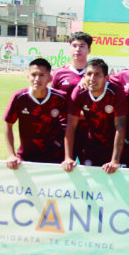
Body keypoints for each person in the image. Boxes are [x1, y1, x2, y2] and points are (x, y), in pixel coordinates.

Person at [61, 58, 127, 174]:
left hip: (116, 148)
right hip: (93, 145)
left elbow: (120, 127)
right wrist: (68, 158)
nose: (92, 78)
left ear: (106, 78)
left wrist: (115, 161)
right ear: (84, 77)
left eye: (97, 74)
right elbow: (71, 125)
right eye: (89, 74)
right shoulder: (79, 92)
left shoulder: (116, 92)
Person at [3, 58, 68, 169]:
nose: (37, 79)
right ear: (28, 77)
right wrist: (11, 155)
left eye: (42, 75)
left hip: (55, 157)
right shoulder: (19, 97)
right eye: (34, 75)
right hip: (26, 156)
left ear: (50, 78)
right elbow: (8, 124)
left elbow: (72, 122)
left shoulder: (60, 98)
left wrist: (68, 156)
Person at [51, 32, 92, 162]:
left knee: (91, 169)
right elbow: (52, 102)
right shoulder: (59, 73)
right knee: (64, 167)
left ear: (89, 49)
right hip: (63, 129)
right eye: (74, 46)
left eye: (82, 46)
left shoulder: (95, 74)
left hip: (89, 131)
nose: (77, 49)